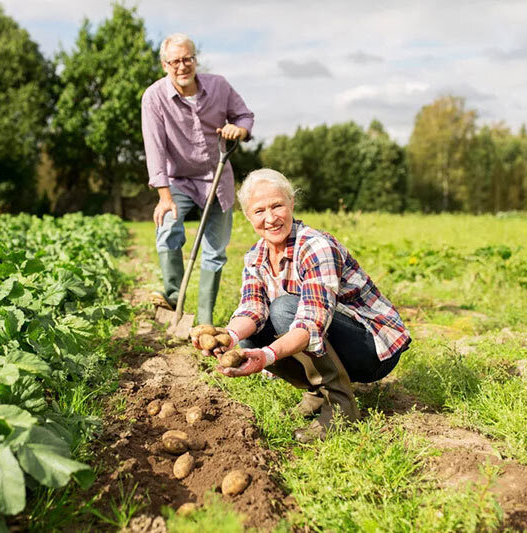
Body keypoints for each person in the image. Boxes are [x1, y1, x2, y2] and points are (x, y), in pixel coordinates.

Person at [198, 169, 411, 443]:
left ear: (292, 204)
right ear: (248, 217)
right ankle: (316, 393)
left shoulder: (315, 246)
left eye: (277, 206)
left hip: (373, 349)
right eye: (260, 210)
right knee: (251, 333)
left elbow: (311, 322)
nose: (271, 218)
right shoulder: (254, 256)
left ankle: (341, 404)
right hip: (331, 338)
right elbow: (252, 309)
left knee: (285, 309)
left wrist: (268, 356)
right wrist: (229, 336)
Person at [141, 33, 254, 325]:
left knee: (214, 252)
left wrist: (238, 130)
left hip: (217, 180)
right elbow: (154, 147)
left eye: (188, 58)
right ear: (165, 64)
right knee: (168, 227)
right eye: (175, 61)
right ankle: (172, 297)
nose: (182, 66)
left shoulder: (219, 86)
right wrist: (164, 197)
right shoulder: (154, 97)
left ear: (195, 59)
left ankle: (204, 321)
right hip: (179, 180)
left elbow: (244, 116)